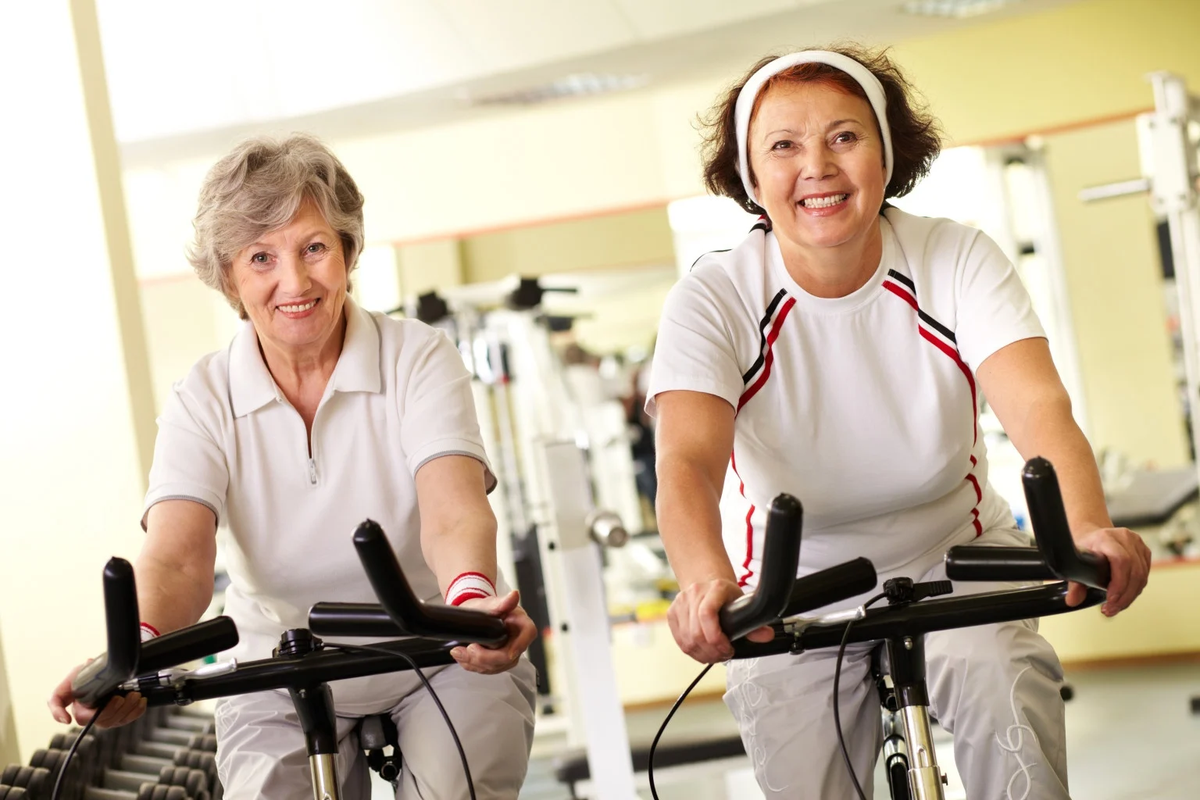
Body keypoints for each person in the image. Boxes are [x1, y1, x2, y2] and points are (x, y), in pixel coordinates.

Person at [647, 45, 1151, 798]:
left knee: (1009, 699)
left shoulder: (955, 257)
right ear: (751, 177)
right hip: (797, 581)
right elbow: (686, 464)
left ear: (886, 152)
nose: (816, 166)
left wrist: (1086, 529)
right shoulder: (716, 297)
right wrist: (706, 584)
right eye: (783, 146)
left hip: (957, 558)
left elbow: (1039, 408)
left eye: (844, 136)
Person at [48, 134, 538, 799]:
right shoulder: (204, 396)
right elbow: (178, 558)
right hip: (279, 667)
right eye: (261, 258)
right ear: (229, 278)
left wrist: (472, 599)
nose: (295, 282)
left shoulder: (416, 357)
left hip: (438, 648)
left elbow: (451, 508)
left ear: (348, 252)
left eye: (314, 248)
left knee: (461, 786)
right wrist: (132, 652)